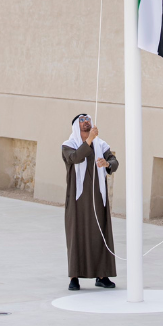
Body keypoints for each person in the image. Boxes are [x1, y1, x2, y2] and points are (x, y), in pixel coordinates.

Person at [62, 113, 119, 290]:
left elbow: (114, 161)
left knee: (100, 235)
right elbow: (75, 158)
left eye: (88, 119)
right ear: (75, 126)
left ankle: (102, 275)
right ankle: (74, 277)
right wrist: (89, 141)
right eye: (82, 120)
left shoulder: (101, 145)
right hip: (78, 199)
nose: (86, 122)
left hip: (97, 196)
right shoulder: (68, 145)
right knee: (76, 235)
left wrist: (107, 164)